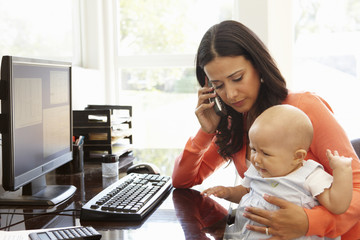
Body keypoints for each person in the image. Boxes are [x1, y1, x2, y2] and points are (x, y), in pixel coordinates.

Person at [171, 20, 360, 239]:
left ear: (259, 67)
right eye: (219, 86)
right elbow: (182, 180)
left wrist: (310, 222)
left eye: (237, 78)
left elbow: (357, 187)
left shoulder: (304, 109)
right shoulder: (235, 122)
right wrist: (207, 131)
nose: (230, 95)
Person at [201, 104, 353, 239]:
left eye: (265, 153)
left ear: (297, 156)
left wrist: (343, 172)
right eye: (253, 149)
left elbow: (337, 205)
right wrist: (227, 192)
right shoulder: (258, 169)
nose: (256, 159)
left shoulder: (310, 176)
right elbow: (246, 192)